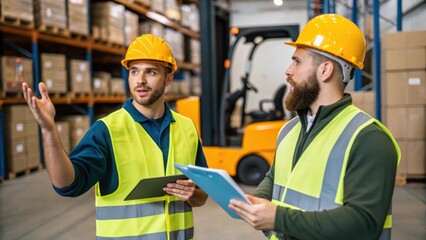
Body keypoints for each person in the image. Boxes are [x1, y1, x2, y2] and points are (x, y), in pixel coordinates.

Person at [229, 14, 400, 240]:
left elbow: (364, 223)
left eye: (297, 61)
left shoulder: (369, 138)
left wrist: (278, 219)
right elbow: (275, 178)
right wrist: (255, 201)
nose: (288, 71)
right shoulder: (290, 130)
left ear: (325, 70)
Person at [22, 34, 208, 239]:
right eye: (134, 71)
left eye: (151, 72)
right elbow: (67, 185)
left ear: (169, 78)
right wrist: (48, 131)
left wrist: (194, 195)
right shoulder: (107, 130)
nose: (140, 80)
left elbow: (202, 195)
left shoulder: (187, 128)